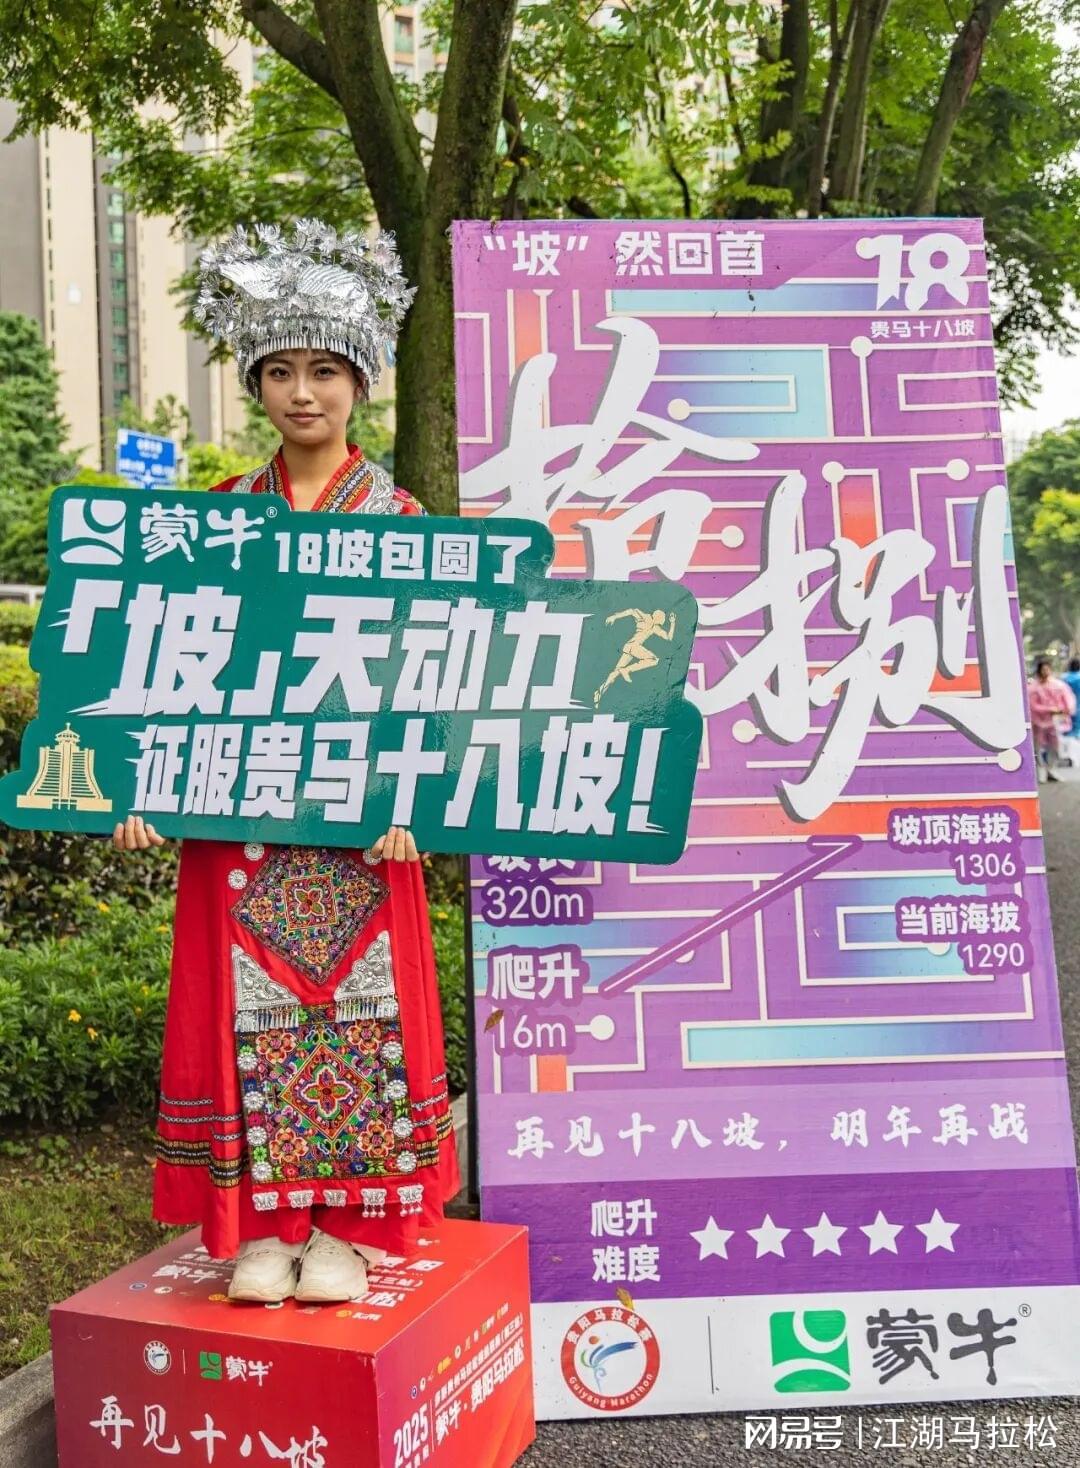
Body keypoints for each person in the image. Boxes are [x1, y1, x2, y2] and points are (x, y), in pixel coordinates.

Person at [111, 220, 460, 1304]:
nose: (301, 393)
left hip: (359, 826)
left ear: (359, 381)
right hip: (238, 820)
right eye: (278, 371)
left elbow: (431, 682)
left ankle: (351, 1227)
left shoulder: (403, 521)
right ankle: (260, 1224)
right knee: (243, 1012)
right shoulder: (214, 521)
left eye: (323, 370)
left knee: (359, 1008)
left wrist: (415, 797)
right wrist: (140, 787)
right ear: (256, 382)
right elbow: (161, 673)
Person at [1027, 657, 1076, 783]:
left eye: (1047, 669)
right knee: (1037, 748)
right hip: (1038, 722)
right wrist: (1049, 709)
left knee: (1055, 747)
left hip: (1055, 721)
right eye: (1043, 669)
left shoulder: (1059, 685)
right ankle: (1040, 771)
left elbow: (1068, 700)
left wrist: (1065, 710)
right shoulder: (1034, 688)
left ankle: (1051, 769)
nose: (1045, 672)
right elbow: (1033, 705)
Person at [1062, 656, 1080, 767]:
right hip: (1078, 708)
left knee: (1067, 731)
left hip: (1066, 709)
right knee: (1076, 733)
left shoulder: (1064, 678)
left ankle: (1068, 756)